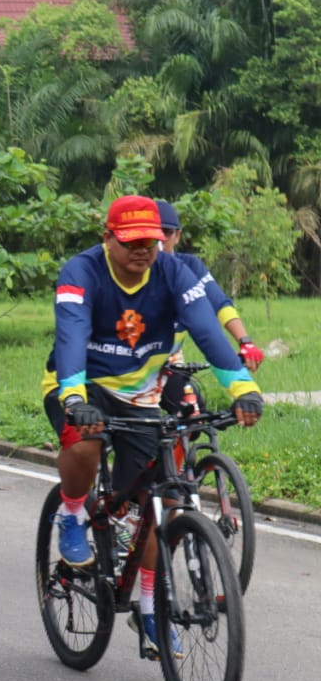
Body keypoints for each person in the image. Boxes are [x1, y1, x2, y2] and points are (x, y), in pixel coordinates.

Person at [45, 195, 262, 657]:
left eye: (152, 241)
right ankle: (71, 513)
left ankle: (149, 611)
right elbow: (71, 336)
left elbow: (206, 328)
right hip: (81, 383)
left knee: (157, 501)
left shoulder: (174, 271)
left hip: (140, 393)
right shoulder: (80, 272)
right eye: (131, 242)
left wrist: (241, 387)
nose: (143, 250)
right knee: (84, 443)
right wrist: (74, 399)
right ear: (107, 238)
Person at [154, 200, 264, 411]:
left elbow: (219, 303)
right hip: (131, 363)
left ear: (177, 235)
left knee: (192, 415)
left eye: (165, 233)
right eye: (153, 234)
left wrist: (245, 341)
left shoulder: (190, 266)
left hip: (170, 361)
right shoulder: (136, 268)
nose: (159, 240)